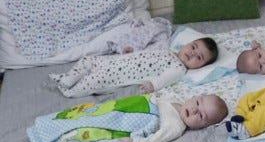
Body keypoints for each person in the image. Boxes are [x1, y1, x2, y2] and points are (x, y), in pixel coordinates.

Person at [27, 92, 227, 142]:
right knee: (92, 112)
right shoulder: (176, 100)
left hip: (134, 120)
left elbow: (155, 140)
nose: (194, 111)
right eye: (198, 104)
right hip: (126, 107)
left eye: (201, 117)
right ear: (195, 97)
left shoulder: (176, 126)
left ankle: (55, 137)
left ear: (204, 126)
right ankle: (53, 123)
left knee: (95, 126)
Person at [49, 37, 218, 97]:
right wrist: (133, 52)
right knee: (88, 60)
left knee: (91, 82)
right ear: (188, 43)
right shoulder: (167, 50)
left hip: (118, 75)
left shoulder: (179, 68)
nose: (192, 53)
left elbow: (167, 78)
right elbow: (145, 56)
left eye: (199, 57)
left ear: (200, 66)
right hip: (116, 61)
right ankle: (68, 78)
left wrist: (153, 85)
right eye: (193, 47)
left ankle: (69, 91)